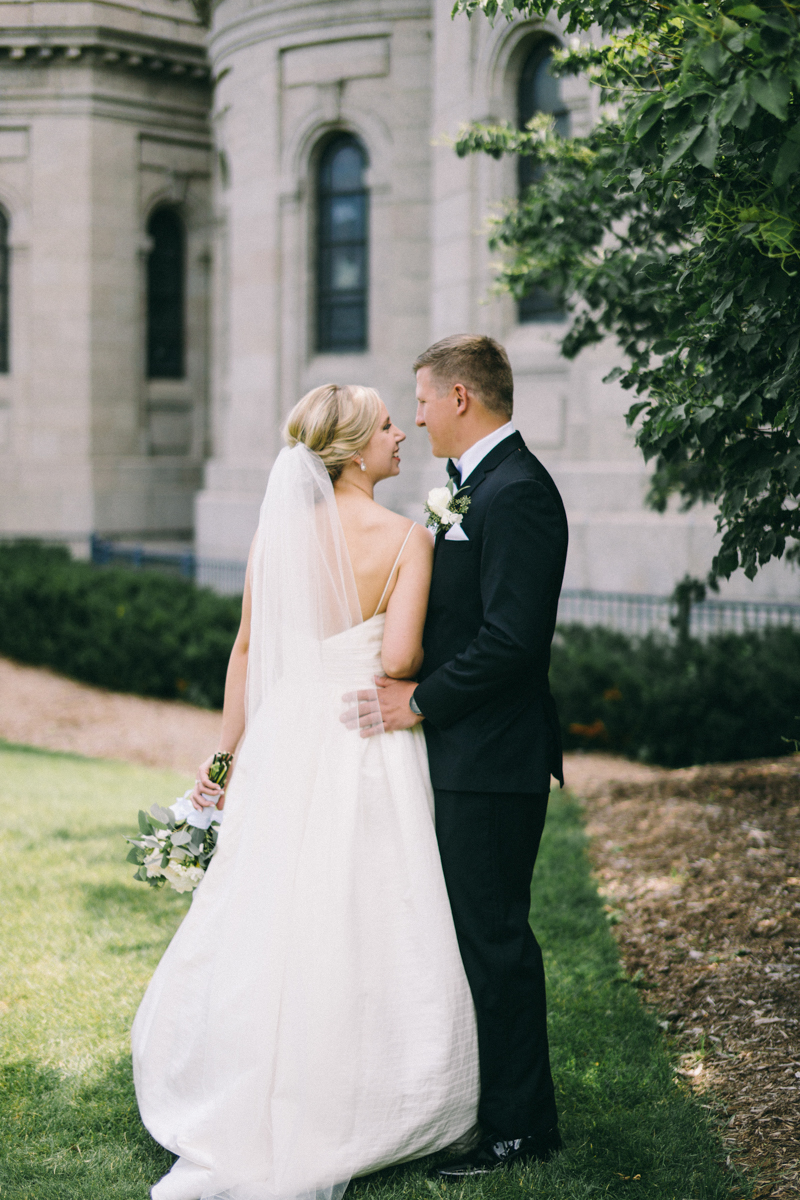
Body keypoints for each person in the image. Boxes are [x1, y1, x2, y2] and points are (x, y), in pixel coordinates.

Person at [132, 384, 479, 1200]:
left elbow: (247, 651)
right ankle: (374, 1090)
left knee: (273, 908)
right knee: (367, 908)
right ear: (358, 452)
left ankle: (248, 1077)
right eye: (390, 425)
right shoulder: (406, 539)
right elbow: (396, 663)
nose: (404, 434)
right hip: (365, 740)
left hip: (286, 743)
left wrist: (220, 766)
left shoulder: (277, 534)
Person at [349, 335, 568, 1176]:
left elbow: (513, 642)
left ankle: (519, 1131)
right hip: (467, 755)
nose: (416, 416)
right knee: (474, 936)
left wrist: (421, 699)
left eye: (424, 400)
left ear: (462, 399)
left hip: (494, 759)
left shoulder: (517, 494)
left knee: (496, 940)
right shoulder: (472, 487)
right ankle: (490, 1105)